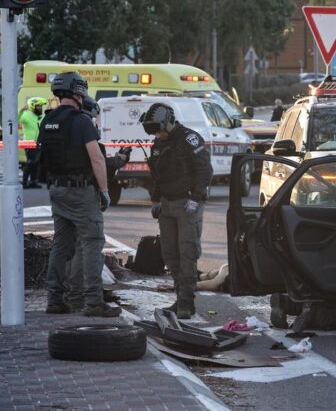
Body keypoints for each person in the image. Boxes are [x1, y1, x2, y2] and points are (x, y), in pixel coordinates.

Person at [37, 72, 120, 316]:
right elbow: (96, 158)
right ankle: (93, 303)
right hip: (80, 191)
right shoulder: (81, 121)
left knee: (60, 246)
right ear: (77, 92)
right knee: (92, 242)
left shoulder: (48, 120)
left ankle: (55, 300)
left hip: (56, 190)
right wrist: (104, 191)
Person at [140, 103, 213, 319]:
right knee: (170, 255)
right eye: (153, 130)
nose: (157, 134)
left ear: (169, 122)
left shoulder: (190, 139)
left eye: (158, 129)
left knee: (187, 254)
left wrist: (196, 197)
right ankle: (179, 296)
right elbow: (157, 175)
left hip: (187, 203)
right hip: (167, 204)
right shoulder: (158, 142)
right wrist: (156, 199)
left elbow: (204, 170)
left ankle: (186, 303)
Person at [64, 95, 131, 311]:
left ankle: (73, 296)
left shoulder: (64, 130)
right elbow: (99, 163)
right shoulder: (86, 132)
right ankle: (92, 300)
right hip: (85, 196)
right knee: (90, 245)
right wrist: (119, 162)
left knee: (73, 247)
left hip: (64, 195)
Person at [19, 97, 46, 188]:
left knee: (36, 163)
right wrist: (21, 111)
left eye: (41, 106)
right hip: (29, 143)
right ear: (32, 106)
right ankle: (24, 182)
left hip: (38, 143)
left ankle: (33, 182)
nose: (40, 108)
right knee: (30, 163)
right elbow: (16, 120)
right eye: (38, 106)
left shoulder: (40, 116)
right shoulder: (26, 115)